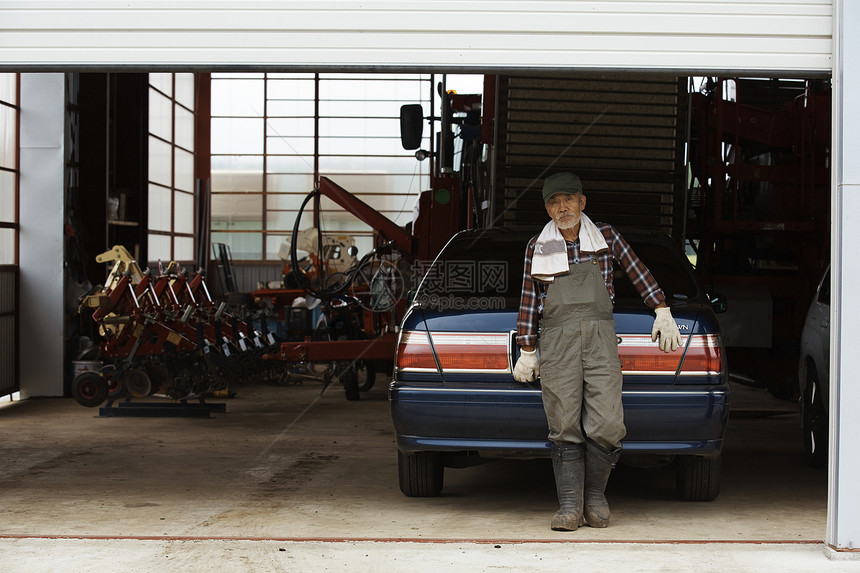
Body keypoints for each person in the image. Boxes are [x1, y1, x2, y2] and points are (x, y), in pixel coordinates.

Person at [513, 172, 682, 531]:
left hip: (601, 338)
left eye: (568, 200)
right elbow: (529, 300)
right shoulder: (536, 247)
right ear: (547, 209)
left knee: (607, 422)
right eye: (554, 202)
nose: (563, 208)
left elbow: (638, 272)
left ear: (582, 202)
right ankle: (571, 504)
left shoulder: (605, 236)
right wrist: (527, 348)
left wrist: (661, 308)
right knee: (563, 423)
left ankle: (595, 498)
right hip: (557, 342)